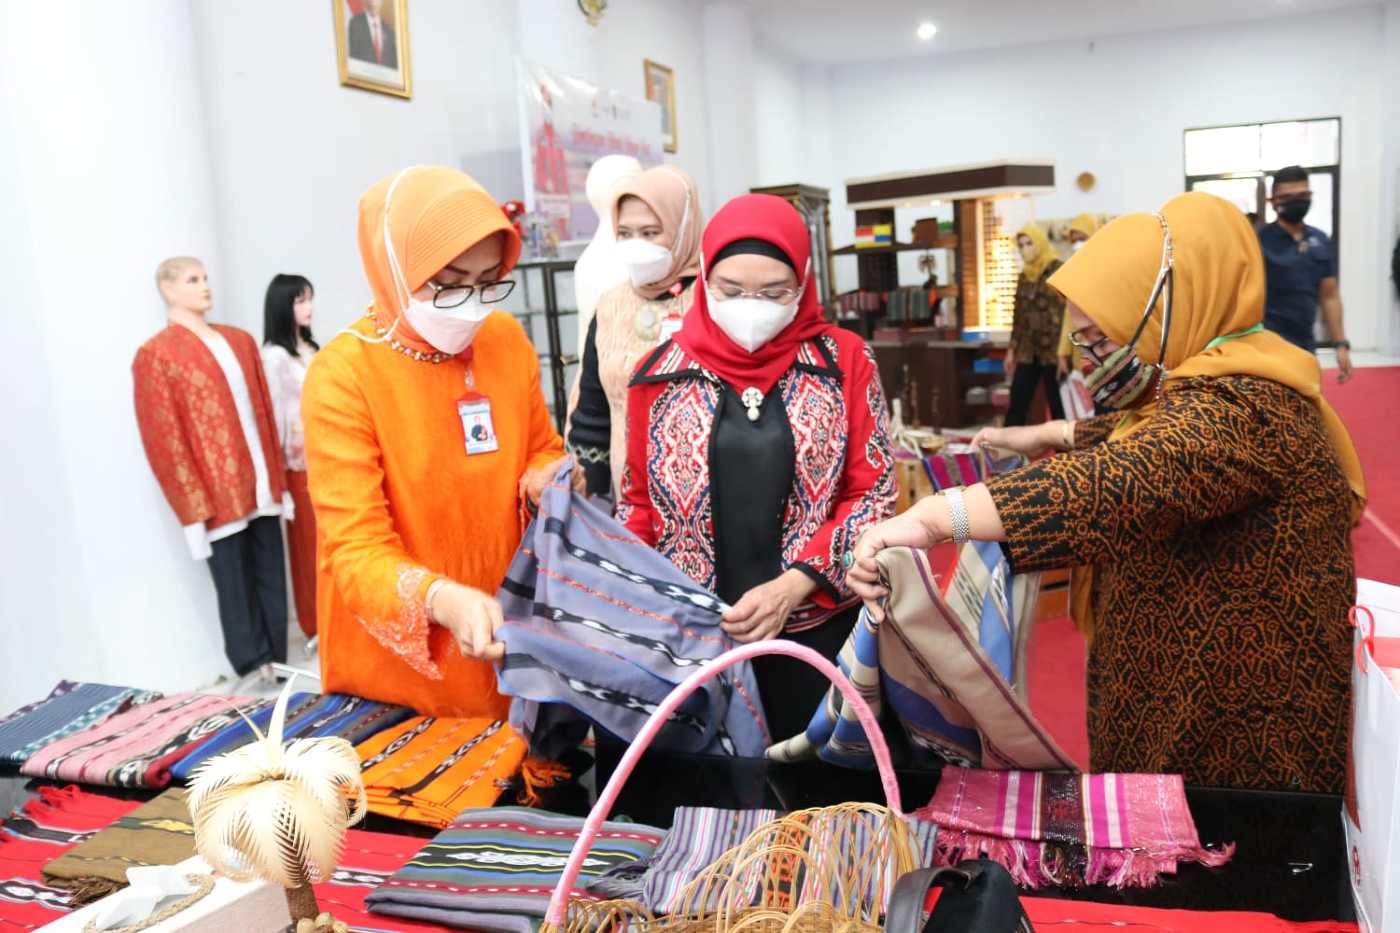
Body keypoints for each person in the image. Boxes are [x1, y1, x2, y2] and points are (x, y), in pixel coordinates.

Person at [847, 192, 1366, 794]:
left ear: (1172, 305)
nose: (1092, 362)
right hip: (1190, 692)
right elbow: (1145, 431)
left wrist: (938, 516)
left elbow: (1130, 478)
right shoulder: (1220, 372)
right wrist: (1055, 431)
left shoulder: (1248, 403)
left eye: (1101, 340)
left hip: (1237, 731)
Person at [619, 193, 897, 738]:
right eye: (730, 290)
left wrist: (795, 585)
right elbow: (637, 507)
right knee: (708, 798)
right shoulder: (656, 375)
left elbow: (874, 494)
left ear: (804, 281)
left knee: (814, 793)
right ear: (703, 278)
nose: (752, 305)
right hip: (693, 640)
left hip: (817, 630)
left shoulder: (844, 363)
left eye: (774, 293)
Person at [301, 166, 568, 718]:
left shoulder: (504, 341)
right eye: (447, 285)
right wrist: (440, 598)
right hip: (401, 667)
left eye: (489, 280)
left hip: (502, 627)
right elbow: (355, 549)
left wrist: (549, 477)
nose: (471, 303)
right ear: (394, 268)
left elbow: (542, 446)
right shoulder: (345, 375)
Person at [133, 257, 292, 686]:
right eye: (193, 279)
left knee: (272, 572)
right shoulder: (157, 355)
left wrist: (277, 480)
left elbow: (264, 411)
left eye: (205, 277)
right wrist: (192, 508)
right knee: (234, 583)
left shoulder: (239, 341)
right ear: (168, 289)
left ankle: (278, 659)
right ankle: (252, 663)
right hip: (217, 491)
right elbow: (164, 438)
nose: (205, 286)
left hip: (260, 482)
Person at [568, 165, 703, 500]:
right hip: (628, 494)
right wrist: (594, 496)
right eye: (625, 233)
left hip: (708, 496)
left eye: (650, 232)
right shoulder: (611, 304)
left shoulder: (711, 300)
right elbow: (593, 409)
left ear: (682, 228)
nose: (635, 245)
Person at [261, 273, 319, 641]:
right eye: (300, 301)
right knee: (307, 546)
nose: (308, 307)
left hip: (328, 457)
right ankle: (315, 624)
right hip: (299, 465)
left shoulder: (312, 349)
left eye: (310, 299)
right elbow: (277, 417)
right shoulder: (274, 356)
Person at [1258, 165, 1352, 382]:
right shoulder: (1258, 241)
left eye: (1302, 195)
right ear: (1273, 201)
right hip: (1267, 345)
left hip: (1306, 344)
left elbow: (1329, 296)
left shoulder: (1320, 240)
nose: (1296, 201)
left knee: (1308, 406)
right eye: (1287, 197)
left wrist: (1340, 344)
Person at [1004, 223, 1066, 426]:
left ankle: (1066, 455)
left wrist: (1065, 352)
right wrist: (1011, 349)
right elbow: (1019, 315)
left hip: (1054, 350)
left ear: (1039, 243)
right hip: (1028, 350)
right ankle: (1008, 451)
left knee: (1059, 407)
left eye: (1029, 243)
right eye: (1021, 245)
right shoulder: (1023, 277)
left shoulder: (1057, 269)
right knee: (1017, 402)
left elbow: (1068, 313)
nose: (1025, 249)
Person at [1057, 213, 1099, 381]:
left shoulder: (1106, 267)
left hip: (1105, 350)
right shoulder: (1073, 272)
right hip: (1081, 353)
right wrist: (1062, 352)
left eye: (1082, 238)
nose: (1077, 245)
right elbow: (1069, 315)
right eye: (1073, 241)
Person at [347, 0, 397, 68]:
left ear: (381, 2)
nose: (373, 3)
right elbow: (353, 57)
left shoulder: (389, 31)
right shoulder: (355, 24)